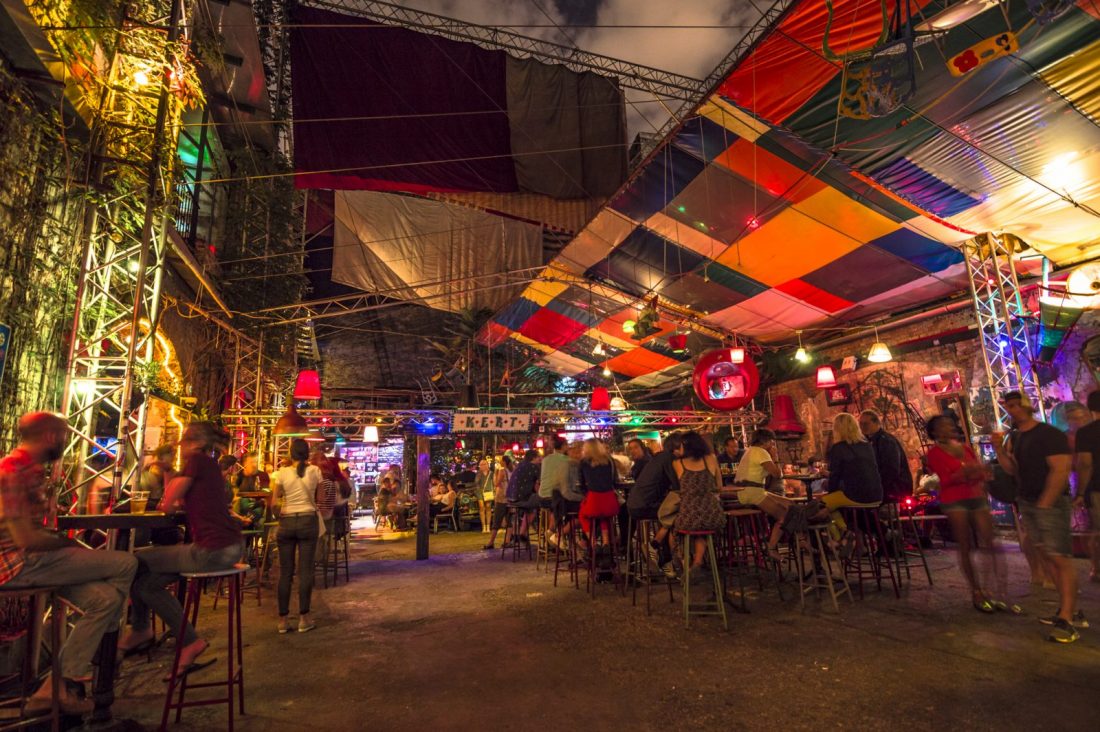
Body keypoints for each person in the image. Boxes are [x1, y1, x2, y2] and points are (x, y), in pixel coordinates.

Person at [1, 412, 138, 715]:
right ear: (51, 436)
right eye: (63, 434)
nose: (66, 440)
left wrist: (66, 545)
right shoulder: (12, 470)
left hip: (38, 562)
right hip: (18, 565)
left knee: (106, 599)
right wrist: (67, 544)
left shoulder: (31, 470)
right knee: (126, 564)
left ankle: (54, 687)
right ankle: (110, 650)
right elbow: (26, 539)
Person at [122, 421, 243, 677]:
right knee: (146, 584)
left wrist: (167, 473)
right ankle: (185, 640)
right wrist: (169, 472)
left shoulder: (198, 462)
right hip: (228, 547)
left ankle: (142, 629)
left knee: (134, 560)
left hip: (212, 550)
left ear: (196, 444)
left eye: (185, 443)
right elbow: (176, 499)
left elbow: (167, 505)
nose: (182, 448)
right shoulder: (207, 465)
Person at [995, 391, 1083, 642]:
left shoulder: (1048, 434)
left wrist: (1046, 501)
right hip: (1028, 501)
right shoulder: (1016, 437)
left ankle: (1068, 620)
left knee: (1060, 557)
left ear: (1028, 406)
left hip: (1050, 503)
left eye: (1015, 405)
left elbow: (1061, 468)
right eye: (1008, 406)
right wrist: (999, 451)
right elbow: (1012, 469)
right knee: (1048, 557)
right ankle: (1069, 610)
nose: (1011, 410)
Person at [925, 415, 1016, 613]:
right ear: (934, 432)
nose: (949, 427)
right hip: (955, 500)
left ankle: (998, 591)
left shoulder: (964, 448)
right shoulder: (934, 453)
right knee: (966, 544)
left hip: (975, 495)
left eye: (950, 424)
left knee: (991, 542)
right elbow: (947, 479)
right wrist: (970, 472)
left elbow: (979, 472)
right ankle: (976, 591)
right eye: (944, 426)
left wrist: (975, 473)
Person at [271, 439, 323, 633]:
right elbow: (321, 500)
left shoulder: (281, 473)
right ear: (307, 454)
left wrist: (281, 516)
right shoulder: (315, 472)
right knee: (305, 571)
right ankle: (304, 618)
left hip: (286, 522)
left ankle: (283, 621)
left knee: (285, 573)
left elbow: (274, 502)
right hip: (308, 521)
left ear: (290, 454)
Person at [671, 431, 726, 583]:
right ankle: (697, 562)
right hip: (713, 515)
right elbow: (719, 487)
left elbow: (681, 488)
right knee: (701, 528)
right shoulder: (712, 459)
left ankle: (682, 564)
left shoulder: (677, 464)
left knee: (675, 529)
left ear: (684, 446)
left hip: (689, 516)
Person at [823, 413, 883, 550]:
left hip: (855, 495)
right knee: (833, 506)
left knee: (820, 507)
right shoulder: (867, 445)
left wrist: (830, 493)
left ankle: (842, 537)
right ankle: (848, 536)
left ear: (837, 429)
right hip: (876, 495)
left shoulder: (838, 448)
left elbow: (834, 477)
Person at [627, 432, 682, 576]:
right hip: (644, 505)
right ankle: (663, 557)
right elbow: (678, 487)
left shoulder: (660, 458)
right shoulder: (669, 459)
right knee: (673, 513)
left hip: (634, 503)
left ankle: (659, 552)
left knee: (667, 514)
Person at [733, 428, 792, 561]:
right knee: (785, 515)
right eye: (772, 442)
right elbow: (777, 474)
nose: (773, 445)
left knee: (790, 504)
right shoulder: (761, 452)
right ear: (766, 441)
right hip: (752, 492)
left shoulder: (750, 451)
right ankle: (771, 548)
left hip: (748, 491)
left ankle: (801, 539)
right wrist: (775, 457)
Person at [1073, 390, 1100, 583]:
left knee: (1097, 531)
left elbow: (1085, 464)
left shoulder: (1085, 433)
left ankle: (1097, 569)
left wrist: (1080, 492)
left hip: (1097, 487)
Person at [859, 410, 913, 502]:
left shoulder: (886, 441)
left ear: (876, 423)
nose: (862, 427)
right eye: (861, 424)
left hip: (894, 491)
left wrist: (877, 486)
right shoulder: (871, 441)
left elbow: (891, 469)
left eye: (866, 424)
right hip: (888, 490)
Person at [577, 439, 620, 546]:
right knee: (604, 516)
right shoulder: (609, 460)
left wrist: (586, 493)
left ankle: (592, 542)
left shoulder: (584, 462)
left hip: (594, 500)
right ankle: (606, 542)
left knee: (582, 515)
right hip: (611, 502)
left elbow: (581, 484)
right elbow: (615, 481)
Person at [506, 450, 542, 543]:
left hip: (510, 499)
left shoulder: (520, 465)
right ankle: (523, 533)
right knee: (539, 503)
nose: (540, 459)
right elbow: (540, 484)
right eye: (539, 457)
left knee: (530, 506)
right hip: (521, 499)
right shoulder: (534, 467)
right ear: (533, 458)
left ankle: (521, 533)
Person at [540, 436, 571, 540]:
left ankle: (555, 534)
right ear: (563, 446)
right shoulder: (567, 460)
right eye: (567, 445)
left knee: (557, 506)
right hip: (555, 499)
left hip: (542, 497)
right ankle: (556, 535)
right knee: (572, 508)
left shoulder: (545, 459)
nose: (568, 447)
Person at [483, 454, 514, 550]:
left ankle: (491, 542)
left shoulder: (501, 470)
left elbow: (496, 483)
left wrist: (495, 473)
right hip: (510, 498)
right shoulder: (511, 470)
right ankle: (507, 541)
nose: (499, 462)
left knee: (496, 520)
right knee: (509, 521)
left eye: (501, 460)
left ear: (504, 462)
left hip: (501, 498)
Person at [473, 459, 494, 533]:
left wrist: (494, 491)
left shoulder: (491, 473)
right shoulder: (478, 473)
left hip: (488, 491)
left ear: (487, 465)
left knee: (488, 507)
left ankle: (488, 526)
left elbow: (493, 482)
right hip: (480, 492)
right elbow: (476, 483)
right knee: (481, 507)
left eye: (485, 464)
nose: (483, 466)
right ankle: (483, 526)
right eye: (481, 464)